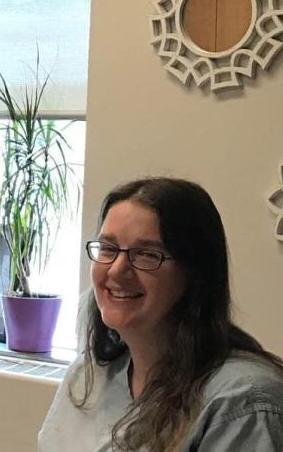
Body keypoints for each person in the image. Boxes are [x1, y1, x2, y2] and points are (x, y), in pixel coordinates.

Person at [39, 177, 283, 450]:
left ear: (194, 273)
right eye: (108, 249)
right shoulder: (89, 375)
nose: (117, 270)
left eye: (146, 254)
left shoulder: (242, 401)